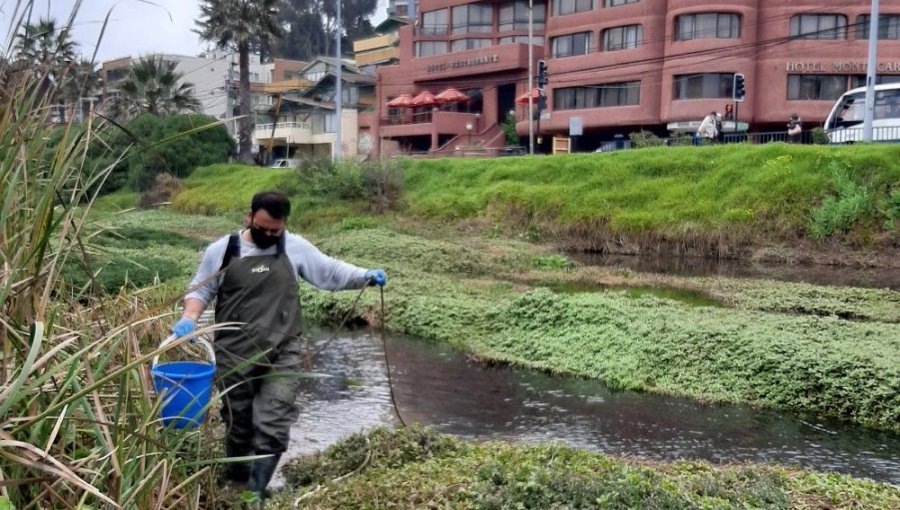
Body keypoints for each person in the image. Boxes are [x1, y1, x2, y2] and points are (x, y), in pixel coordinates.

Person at [171, 190, 387, 501]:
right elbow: (200, 291)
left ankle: (255, 494)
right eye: (262, 229)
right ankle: (237, 481)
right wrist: (189, 318)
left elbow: (329, 271)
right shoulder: (223, 250)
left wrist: (363, 275)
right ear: (249, 217)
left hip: (283, 352)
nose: (269, 235)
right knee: (238, 424)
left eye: (276, 230)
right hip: (235, 355)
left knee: (274, 420)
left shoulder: (294, 247)